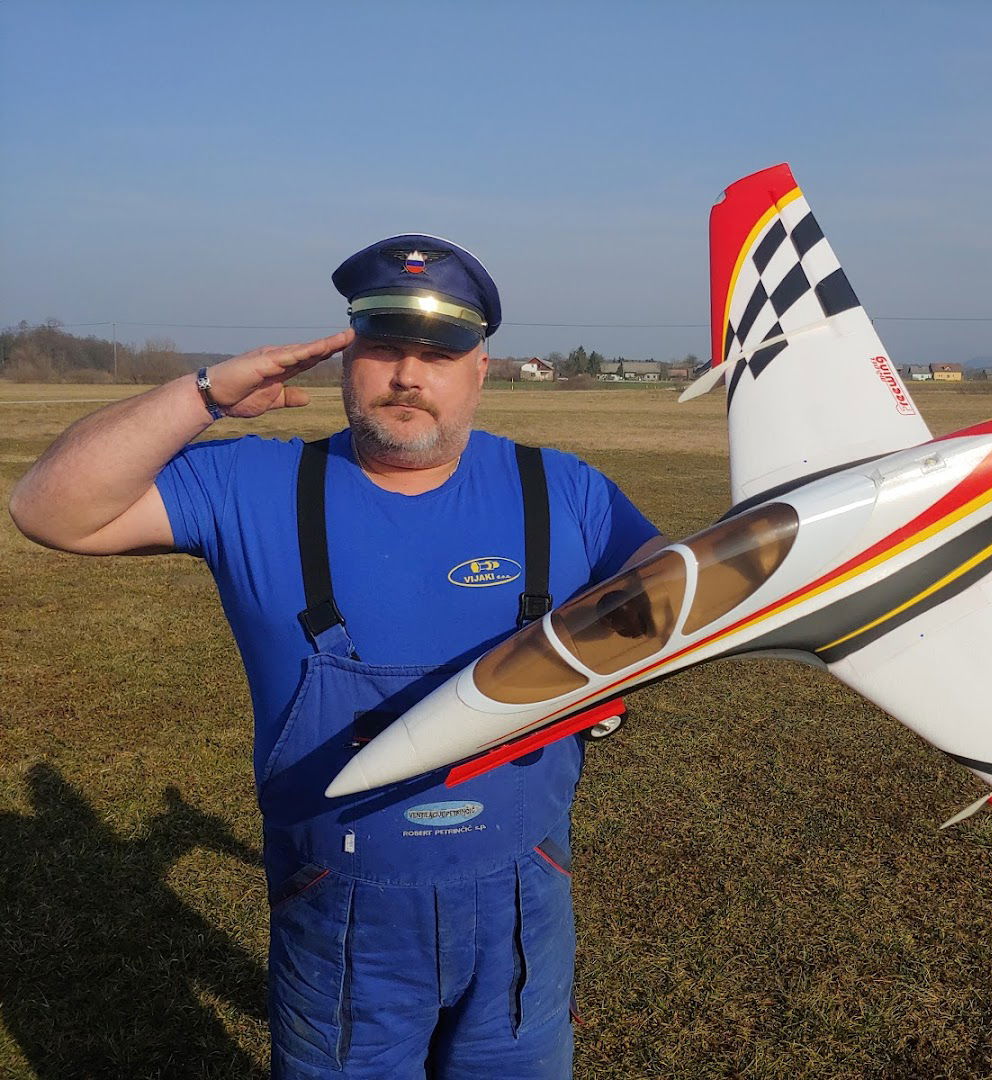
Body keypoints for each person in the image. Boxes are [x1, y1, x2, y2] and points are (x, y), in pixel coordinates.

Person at [8, 235, 664, 1078]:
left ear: (481, 371)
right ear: (347, 356)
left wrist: (616, 648)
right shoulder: (254, 486)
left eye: (439, 353)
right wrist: (203, 393)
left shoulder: (561, 490)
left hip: (520, 908)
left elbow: (676, 586)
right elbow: (49, 510)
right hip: (340, 924)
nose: (407, 375)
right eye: (385, 346)